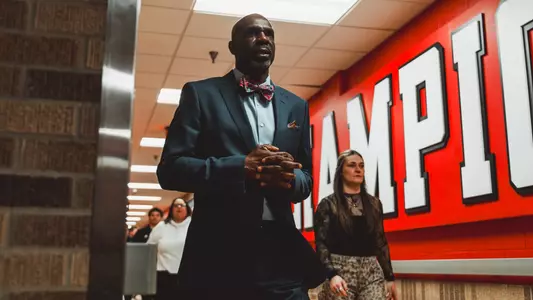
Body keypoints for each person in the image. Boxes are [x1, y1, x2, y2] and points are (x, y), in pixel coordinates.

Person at [157, 13, 324, 300]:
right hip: (218, 253)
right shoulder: (201, 94)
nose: (263, 38)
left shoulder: (296, 106)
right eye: (252, 33)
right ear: (232, 46)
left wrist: (289, 178)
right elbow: (171, 169)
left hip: (280, 254)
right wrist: (241, 167)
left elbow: (306, 178)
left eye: (268, 34)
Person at [314, 150, 398, 300]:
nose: (358, 169)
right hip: (340, 270)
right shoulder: (328, 204)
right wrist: (331, 275)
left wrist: (389, 277)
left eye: (361, 166)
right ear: (341, 171)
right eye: (352, 165)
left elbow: (380, 241)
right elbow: (321, 244)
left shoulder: (374, 204)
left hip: (371, 270)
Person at [147, 198, 192, 300]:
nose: (179, 208)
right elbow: (149, 250)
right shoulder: (161, 227)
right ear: (171, 209)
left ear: (187, 208)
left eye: (182, 205)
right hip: (164, 278)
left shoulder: (193, 225)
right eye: (176, 205)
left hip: (187, 278)